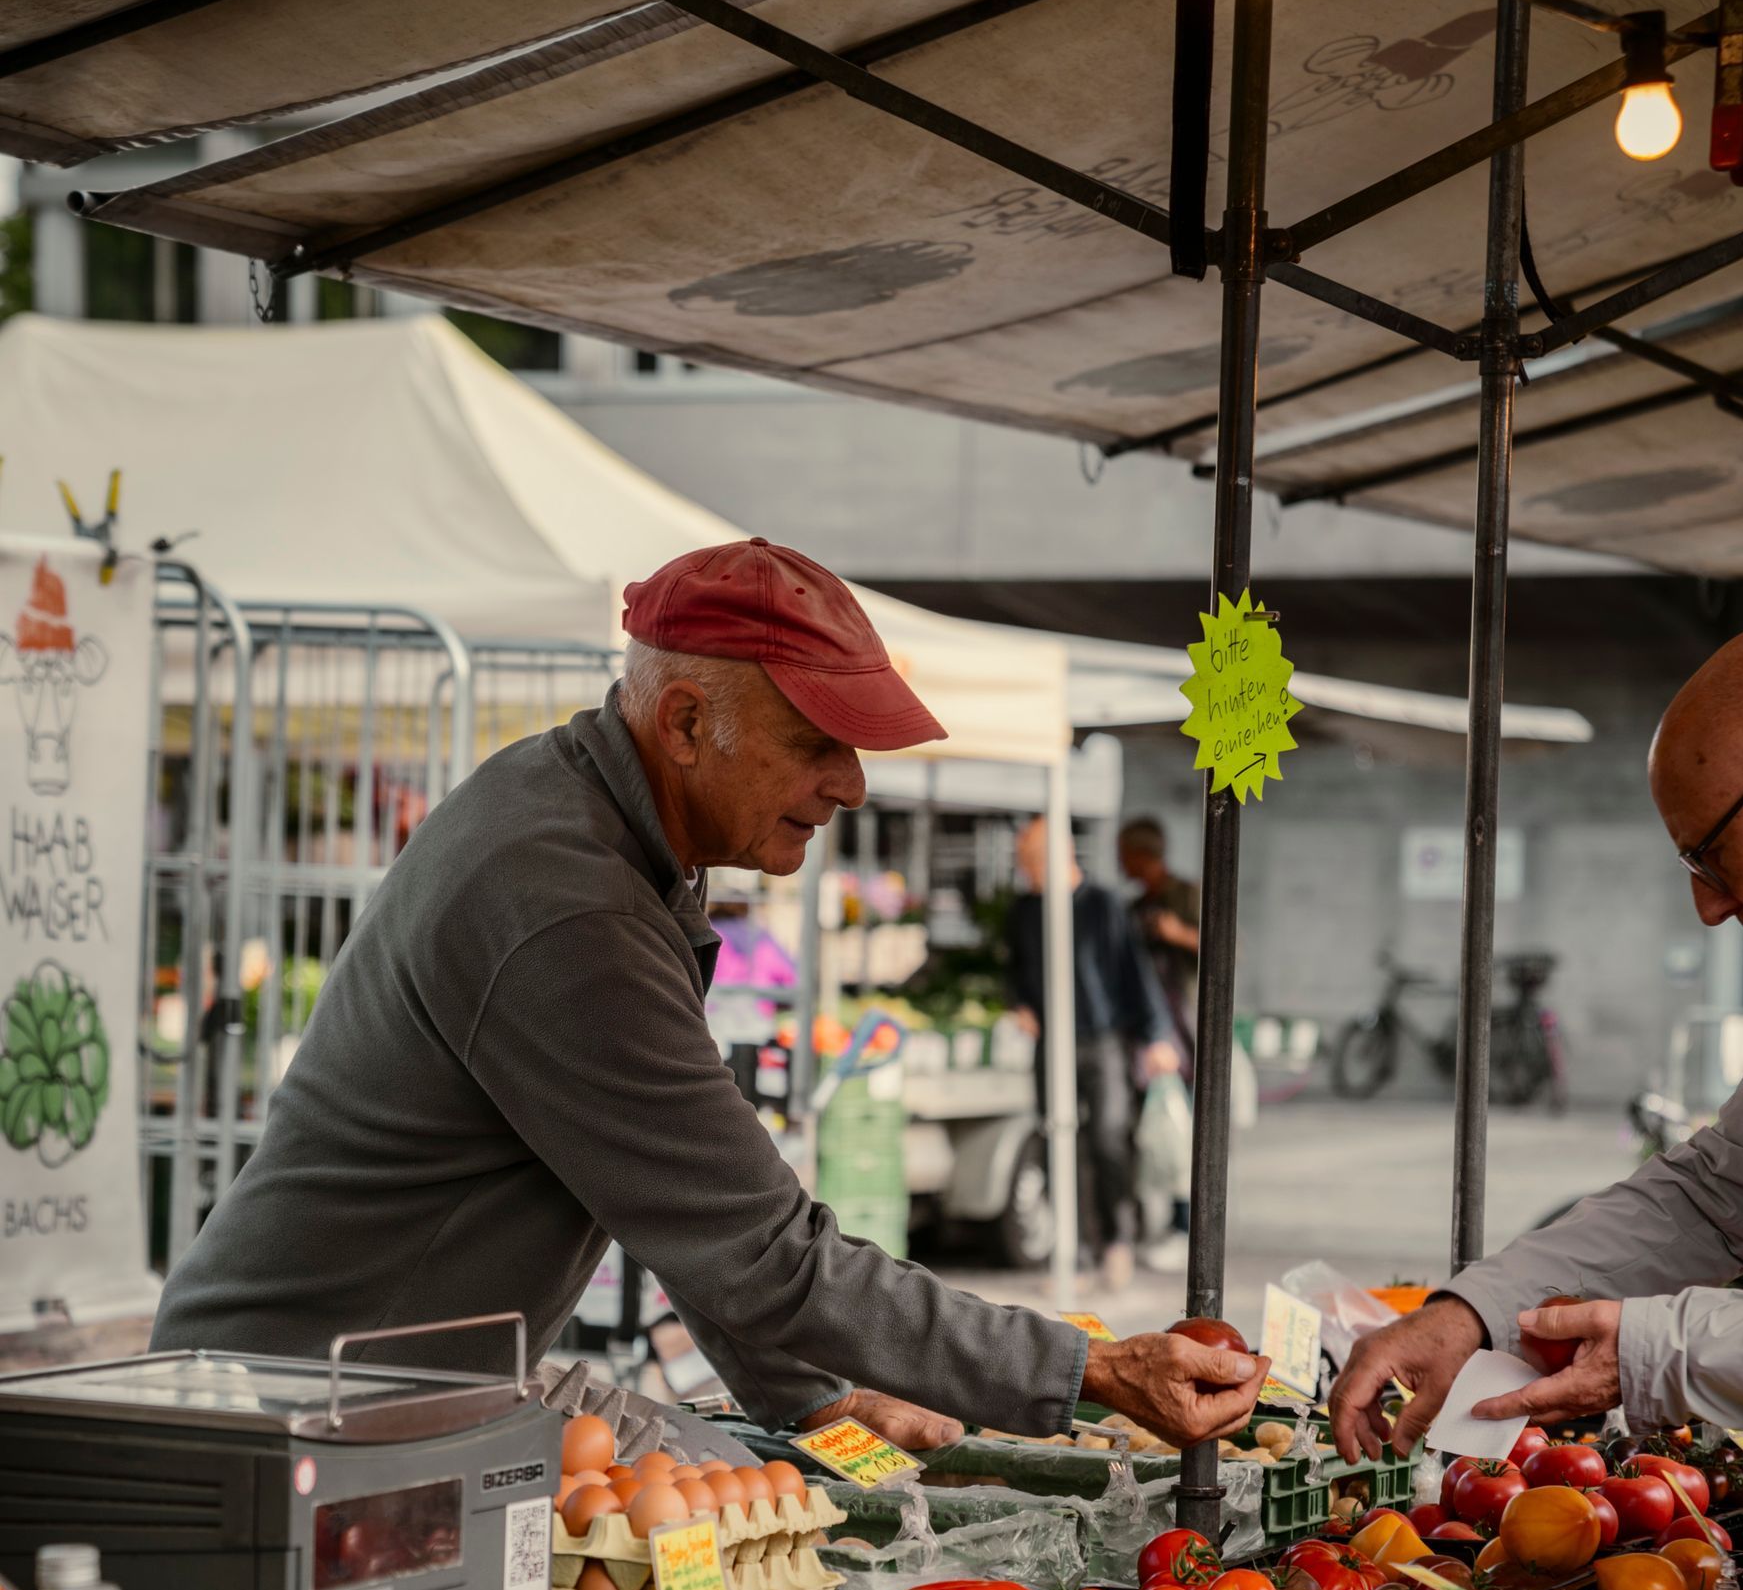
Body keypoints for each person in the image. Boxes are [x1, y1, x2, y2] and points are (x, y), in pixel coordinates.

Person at [153, 539, 1259, 1457]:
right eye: (816, 743)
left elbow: (687, 1211)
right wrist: (1093, 1368)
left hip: (375, 1389)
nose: (851, 784)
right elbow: (766, 1253)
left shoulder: (588, 824)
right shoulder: (564, 900)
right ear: (683, 724)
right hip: (287, 1417)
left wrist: (810, 1398)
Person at [1327, 624, 1743, 1467]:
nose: (1709, 909)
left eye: (1709, 854)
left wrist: (1661, 1349)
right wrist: (1475, 1312)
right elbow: (1724, 1189)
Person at [1006, 812, 1178, 1293]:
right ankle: (1075, 1254)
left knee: (1108, 1141)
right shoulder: (1024, 910)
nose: (1027, 874)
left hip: (1103, 1043)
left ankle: (1118, 1241)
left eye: (1032, 863)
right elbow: (1016, 970)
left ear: (1058, 858)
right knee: (1059, 1145)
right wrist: (1020, 1003)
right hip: (1051, 1045)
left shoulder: (1102, 905)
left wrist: (1156, 1034)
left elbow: (1133, 971)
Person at [1119, 815, 1203, 1077]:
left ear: (1142, 855)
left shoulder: (1189, 894)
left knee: (1191, 1079)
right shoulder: (1134, 906)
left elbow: (1229, 952)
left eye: (1123, 854)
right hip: (1146, 1012)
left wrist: (1177, 933)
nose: (1119, 862)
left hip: (1184, 1011)